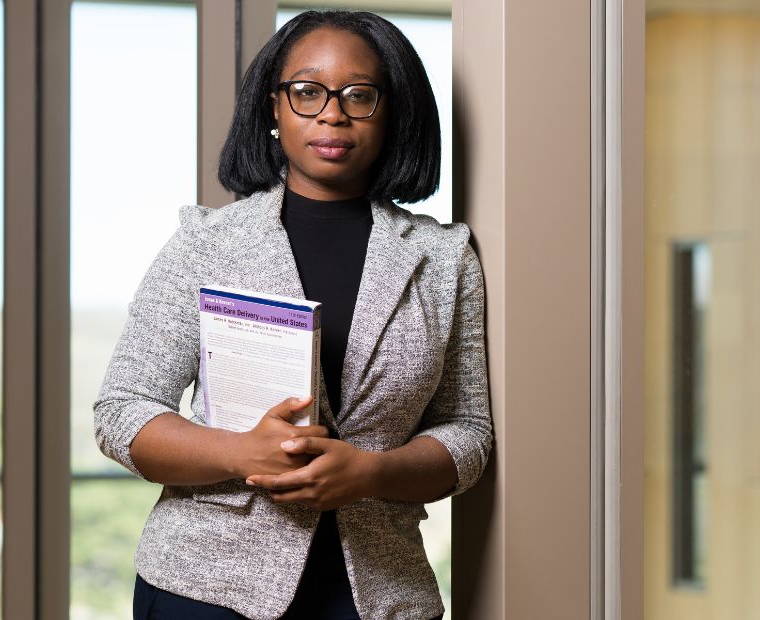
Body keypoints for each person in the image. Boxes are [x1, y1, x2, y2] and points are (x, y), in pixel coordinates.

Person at [93, 10, 490, 620]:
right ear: (273, 109)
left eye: (360, 95)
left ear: (392, 113)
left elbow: (467, 430)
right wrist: (239, 453)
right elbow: (122, 413)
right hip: (205, 588)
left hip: (379, 591)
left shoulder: (444, 258)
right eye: (307, 92)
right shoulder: (207, 242)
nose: (333, 113)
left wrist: (373, 473)